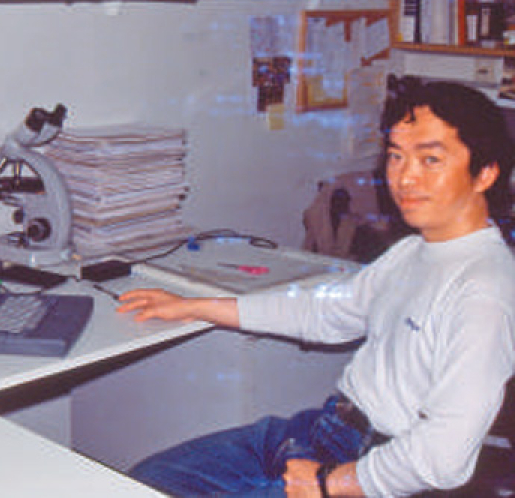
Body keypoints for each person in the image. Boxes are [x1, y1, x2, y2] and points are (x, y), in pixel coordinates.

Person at [116, 76, 515, 497]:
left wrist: (328, 484)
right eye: (396, 156)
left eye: (430, 160)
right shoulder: (414, 251)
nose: (405, 178)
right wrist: (194, 306)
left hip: (372, 466)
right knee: (149, 480)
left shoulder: (483, 292)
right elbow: (325, 311)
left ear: (485, 174)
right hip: (326, 429)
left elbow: (443, 458)